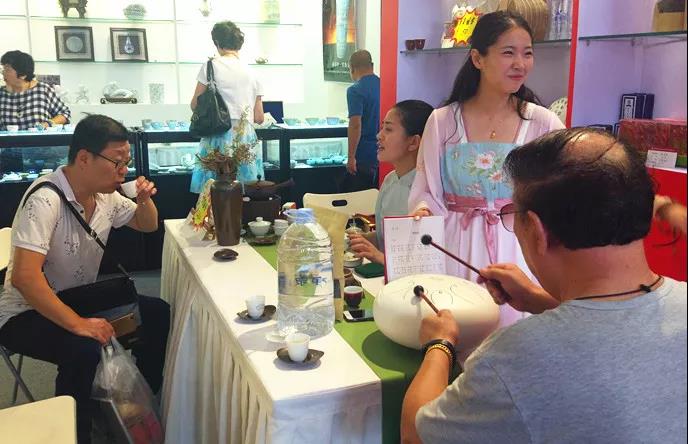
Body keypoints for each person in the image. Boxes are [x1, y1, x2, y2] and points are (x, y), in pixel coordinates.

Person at [401, 128, 687, 444]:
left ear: (537, 230)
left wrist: (439, 345)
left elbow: (416, 434)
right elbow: (616, 333)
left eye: (512, 214)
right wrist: (539, 300)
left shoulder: (514, 357)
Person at [0, 115, 170, 444]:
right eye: (117, 162)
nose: (124, 171)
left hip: (77, 297)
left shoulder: (105, 195)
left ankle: (133, 408)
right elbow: (24, 277)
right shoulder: (45, 199)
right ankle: (76, 432)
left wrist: (144, 200)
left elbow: (147, 224)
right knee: (83, 348)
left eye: (127, 162)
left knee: (157, 313)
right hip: (25, 312)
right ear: (84, 158)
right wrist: (78, 324)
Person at [408, 11, 564, 327]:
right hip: (456, 246)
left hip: (518, 249)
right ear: (478, 59)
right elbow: (427, 187)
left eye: (527, 53)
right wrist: (423, 211)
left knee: (514, 336)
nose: (520, 64)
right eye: (508, 53)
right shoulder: (443, 121)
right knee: (457, 330)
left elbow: (564, 190)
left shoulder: (543, 123)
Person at [348, 99, 434, 264]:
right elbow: (385, 238)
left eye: (388, 129)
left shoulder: (429, 191)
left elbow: (425, 259)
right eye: (382, 128)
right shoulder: (390, 180)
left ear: (414, 142)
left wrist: (378, 257)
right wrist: (359, 240)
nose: (379, 136)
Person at [189, 20, 265, 193]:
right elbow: (259, 117)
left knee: (213, 193)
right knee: (245, 191)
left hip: (217, 133)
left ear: (217, 42)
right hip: (245, 138)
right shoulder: (252, 72)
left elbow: (195, 104)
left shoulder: (210, 67)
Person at [0, 50, 70, 130]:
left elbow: (65, 114)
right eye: (3, 68)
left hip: (40, 138)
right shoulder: (2, 94)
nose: (3, 73)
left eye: (7, 69)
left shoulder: (43, 90)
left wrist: (48, 123)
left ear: (23, 74)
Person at [343, 49, 381, 192]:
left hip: (364, 153)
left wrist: (351, 157)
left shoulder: (355, 90)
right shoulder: (384, 85)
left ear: (352, 68)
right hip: (382, 150)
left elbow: (355, 125)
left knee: (359, 197)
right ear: (372, 65)